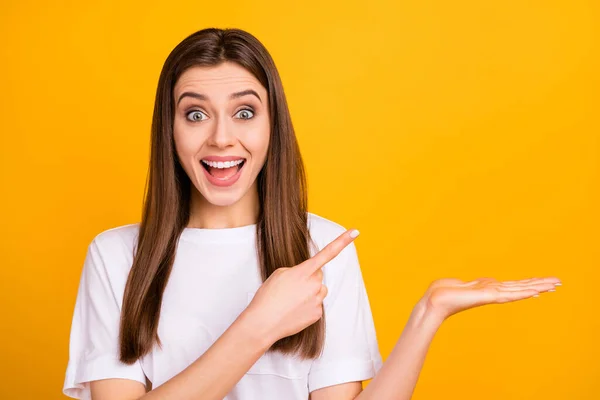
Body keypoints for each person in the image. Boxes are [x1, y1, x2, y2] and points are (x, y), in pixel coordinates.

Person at [63, 27, 561, 400]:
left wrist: (429, 314)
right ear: (169, 130)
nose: (219, 137)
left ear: (271, 126)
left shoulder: (322, 249)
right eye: (195, 114)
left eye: (244, 112)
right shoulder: (116, 257)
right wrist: (259, 325)